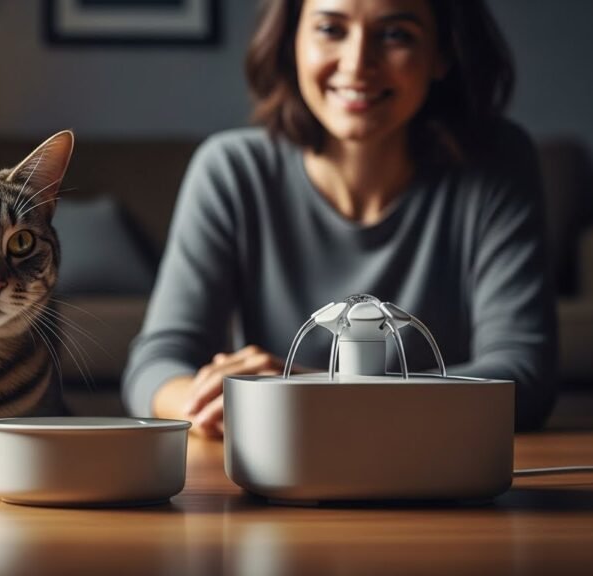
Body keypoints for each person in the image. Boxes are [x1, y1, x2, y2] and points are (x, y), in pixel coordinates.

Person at [122, 0, 557, 436]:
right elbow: (155, 365)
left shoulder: (499, 163)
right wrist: (204, 401)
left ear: (443, 53)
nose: (357, 64)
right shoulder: (231, 168)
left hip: (435, 463)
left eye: (396, 34)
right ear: (292, 41)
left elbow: (523, 375)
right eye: (331, 29)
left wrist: (307, 390)